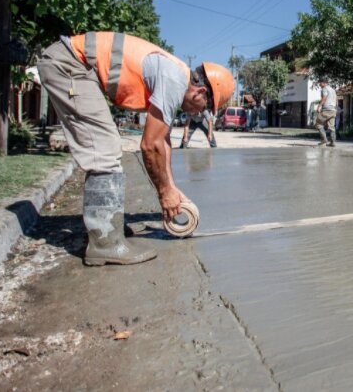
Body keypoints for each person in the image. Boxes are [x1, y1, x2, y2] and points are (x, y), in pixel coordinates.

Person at [37, 31, 233, 266]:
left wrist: (171, 188)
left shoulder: (177, 76)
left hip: (75, 64)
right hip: (69, 64)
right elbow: (150, 146)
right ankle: (106, 243)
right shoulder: (174, 81)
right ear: (200, 92)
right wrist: (164, 195)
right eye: (205, 107)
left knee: (107, 144)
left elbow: (163, 140)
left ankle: (107, 229)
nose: (200, 113)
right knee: (105, 148)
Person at [315, 79, 337, 147]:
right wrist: (335, 108)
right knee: (331, 127)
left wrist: (319, 106)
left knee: (318, 124)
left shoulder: (324, 89)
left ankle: (324, 140)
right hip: (333, 110)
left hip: (326, 109)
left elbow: (324, 98)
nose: (319, 84)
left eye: (320, 83)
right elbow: (336, 99)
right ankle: (332, 142)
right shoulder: (333, 90)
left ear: (324, 83)